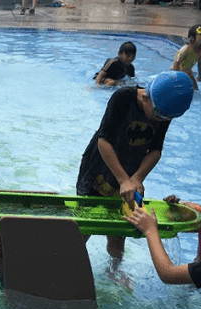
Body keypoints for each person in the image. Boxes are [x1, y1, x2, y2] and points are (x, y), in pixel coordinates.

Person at [76, 71, 194, 269]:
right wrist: (123, 180)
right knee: (86, 222)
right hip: (99, 168)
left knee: (122, 226)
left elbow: (156, 150)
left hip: (132, 171)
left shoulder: (164, 108)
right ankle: (68, 264)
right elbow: (103, 141)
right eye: (158, 115)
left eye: (166, 117)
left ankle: (114, 269)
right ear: (145, 97)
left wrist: (138, 177)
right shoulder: (123, 98)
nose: (160, 120)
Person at [171, 25, 201, 90]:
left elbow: (200, 63)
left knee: (195, 89)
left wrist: (200, 75)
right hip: (177, 72)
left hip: (188, 72)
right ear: (193, 37)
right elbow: (176, 63)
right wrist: (177, 77)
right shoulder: (185, 49)